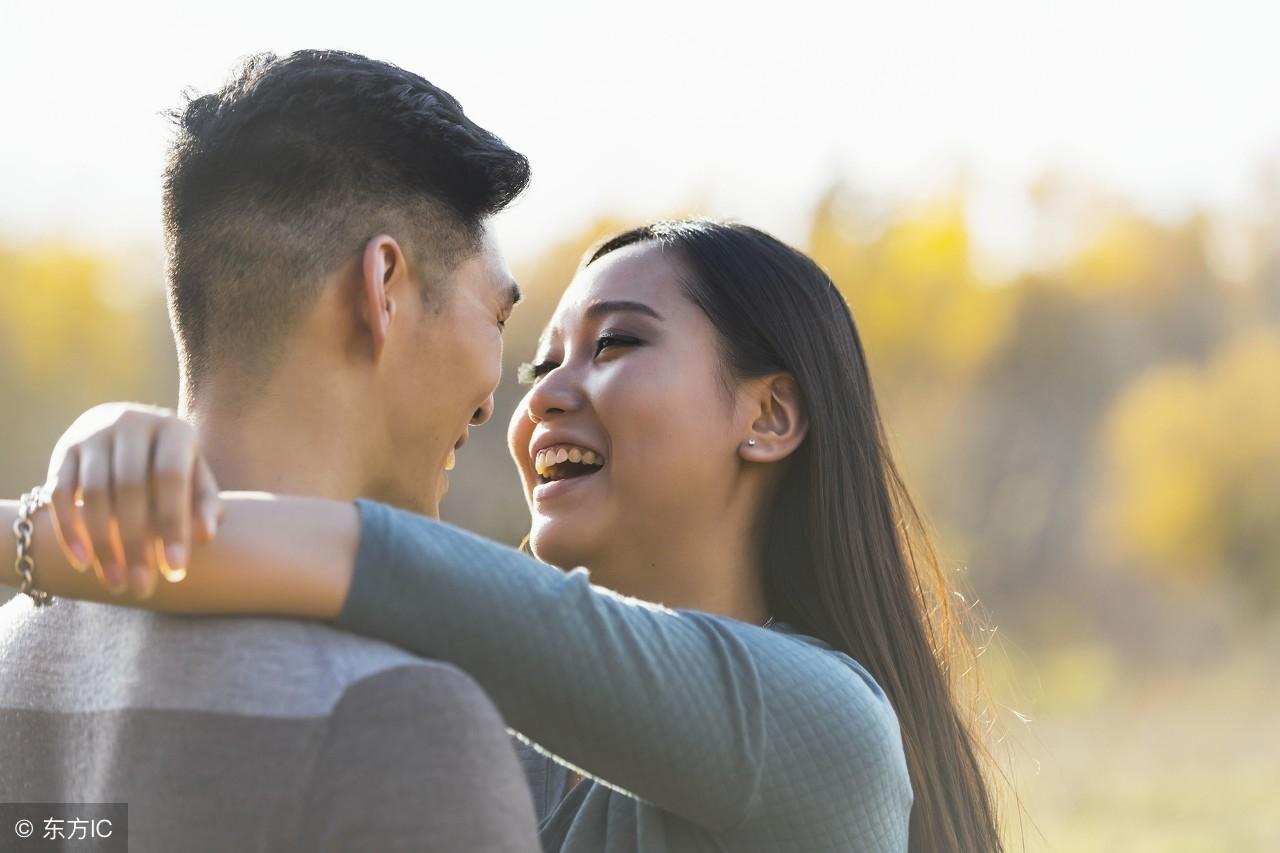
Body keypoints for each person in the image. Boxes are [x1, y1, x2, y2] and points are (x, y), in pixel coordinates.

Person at [6, 221, 1009, 851]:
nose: (544, 400)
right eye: (538, 365)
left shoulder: (818, 724)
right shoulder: (483, 731)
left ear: (767, 417)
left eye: (614, 344)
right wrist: (114, 443)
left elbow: (381, 565)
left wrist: (23, 536)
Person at [0, 49, 544, 851]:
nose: (498, 398)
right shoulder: (401, 715)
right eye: (497, 319)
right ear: (384, 287)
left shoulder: (13, 651)